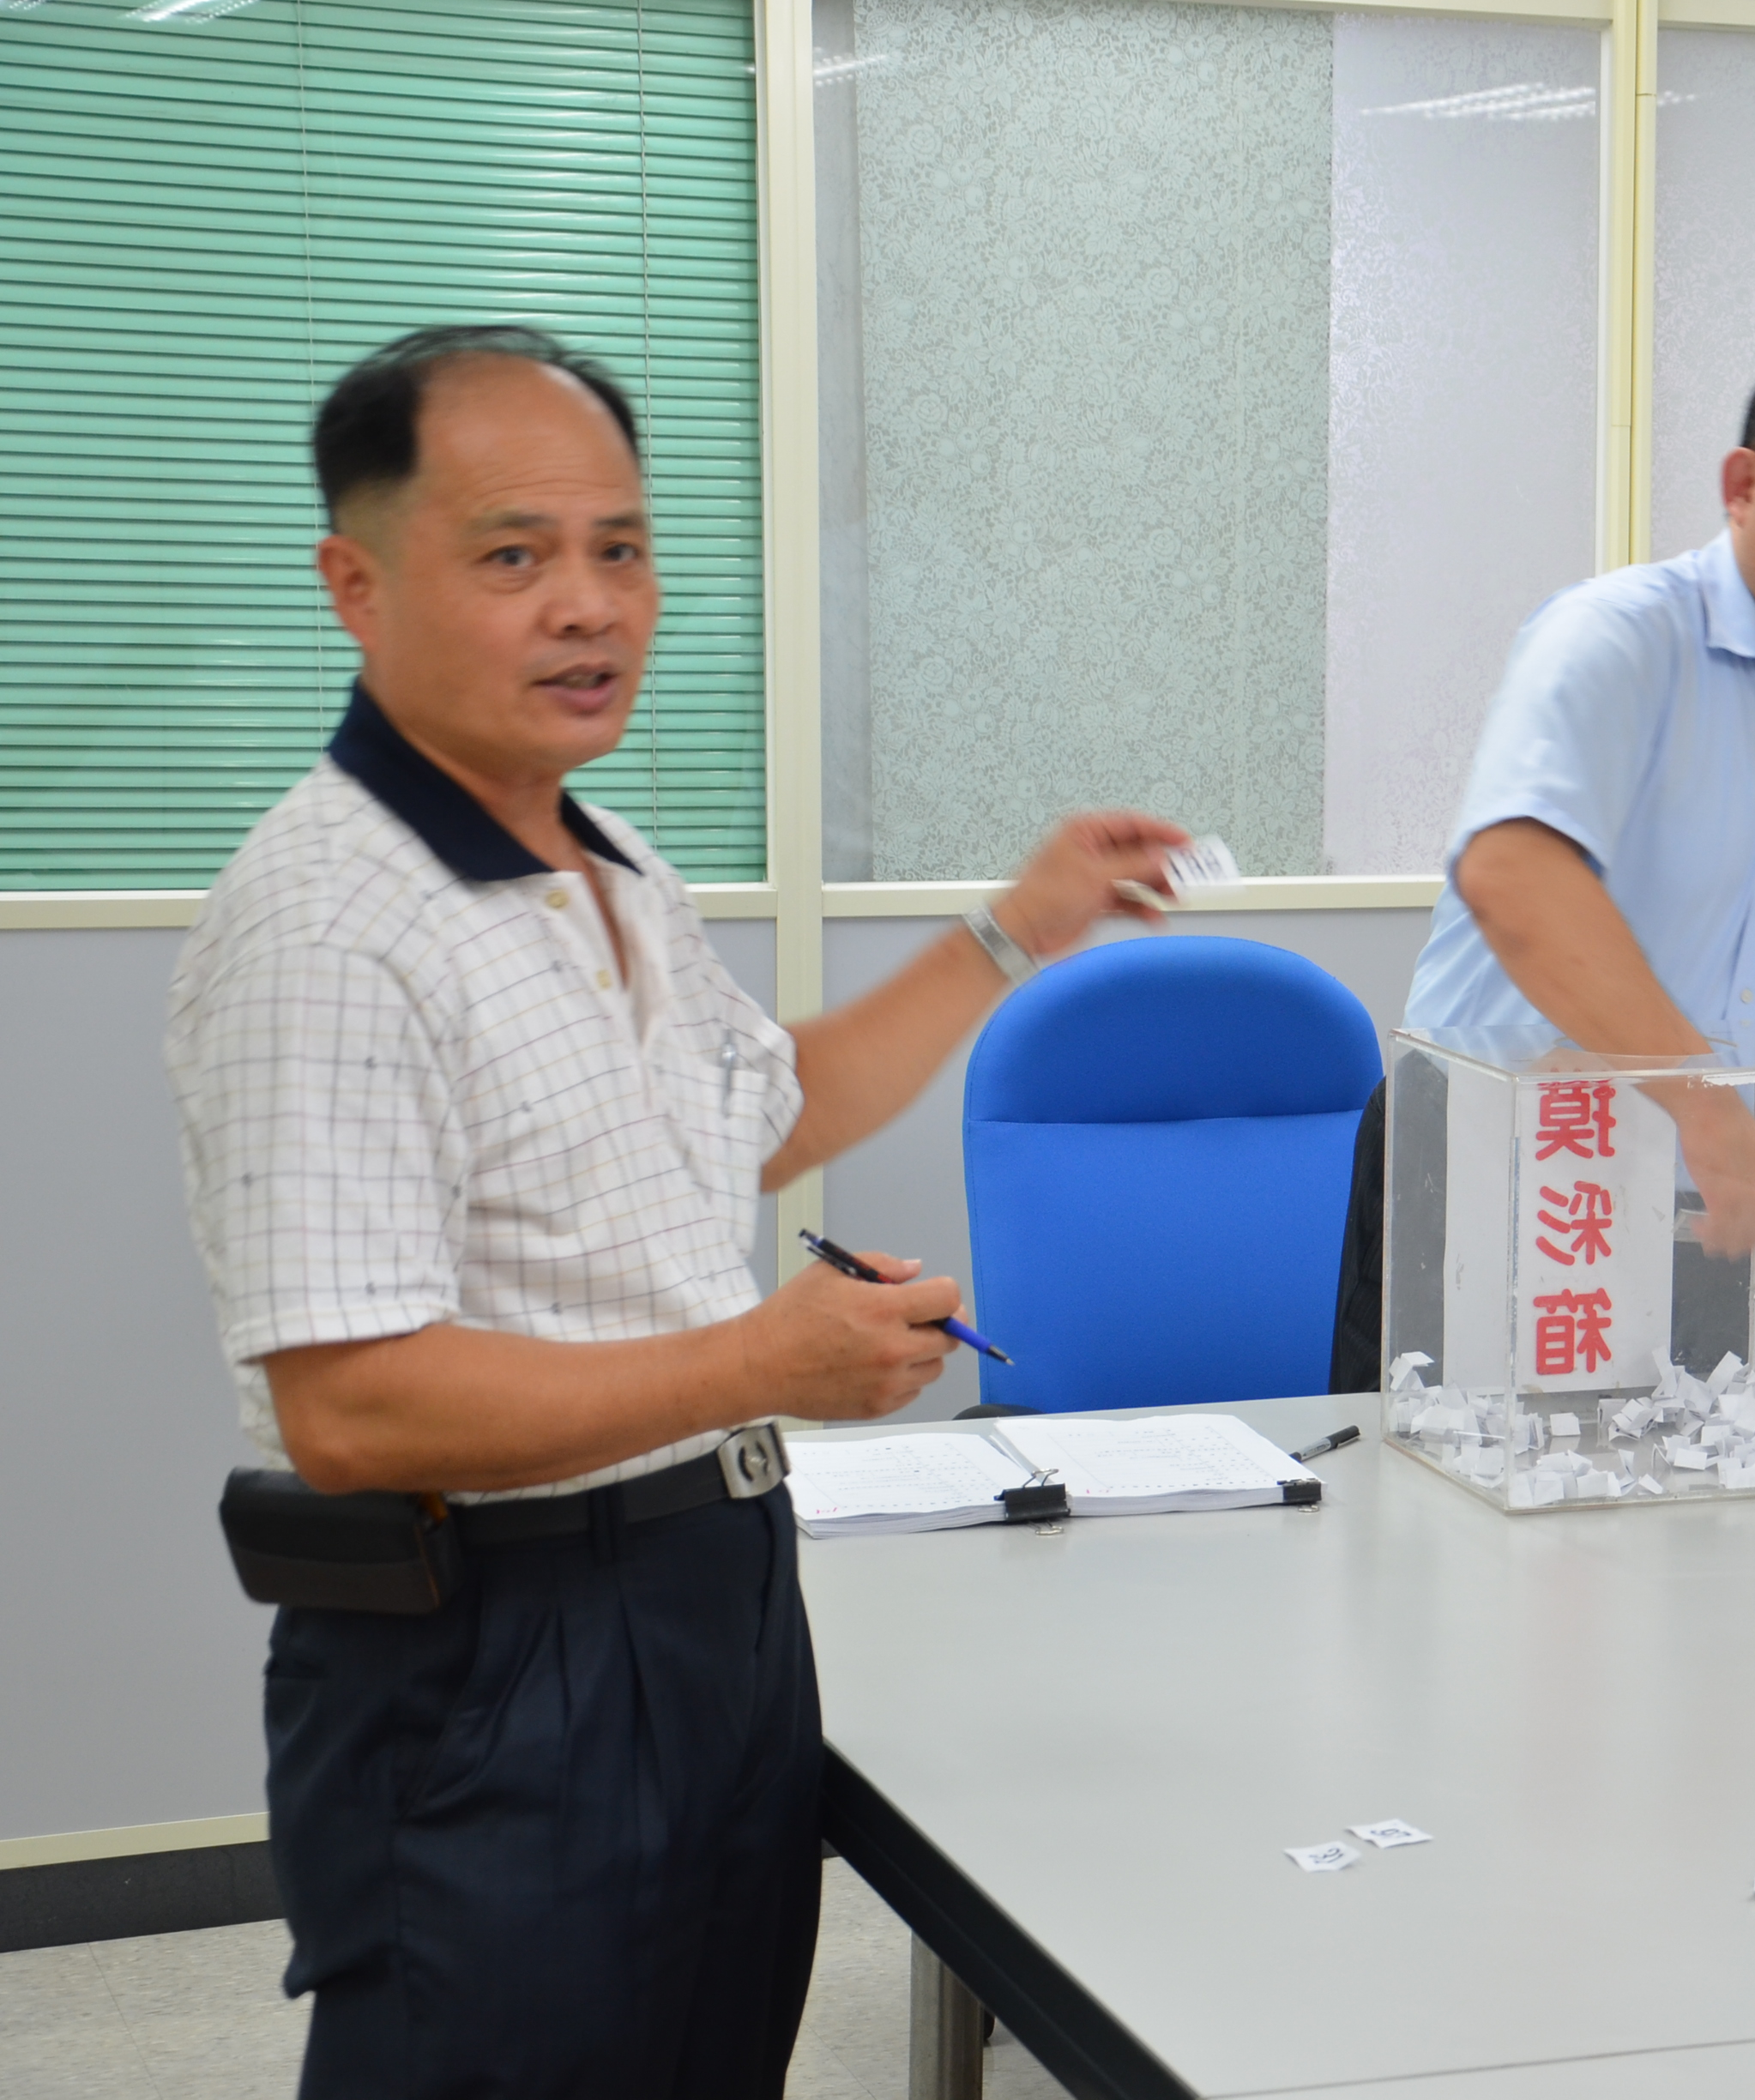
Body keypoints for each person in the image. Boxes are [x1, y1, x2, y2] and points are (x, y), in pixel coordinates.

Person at [164, 325, 1185, 2097]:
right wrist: (756, 1358)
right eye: (514, 554)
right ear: (357, 583)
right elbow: (354, 1404)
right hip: (496, 1649)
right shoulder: (326, 921)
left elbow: (762, 1113)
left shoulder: (605, 856)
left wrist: (1022, 926)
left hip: (713, 1605)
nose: (589, 604)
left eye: (620, 548)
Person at [1333, 338, 1755, 1410]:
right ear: (1743, 484)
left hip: (1734, 1220)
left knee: (1729, 1547)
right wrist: (1704, 1108)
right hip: (1511, 1195)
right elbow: (1515, 873)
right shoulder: (1615, 639)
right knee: (1461, 1553)